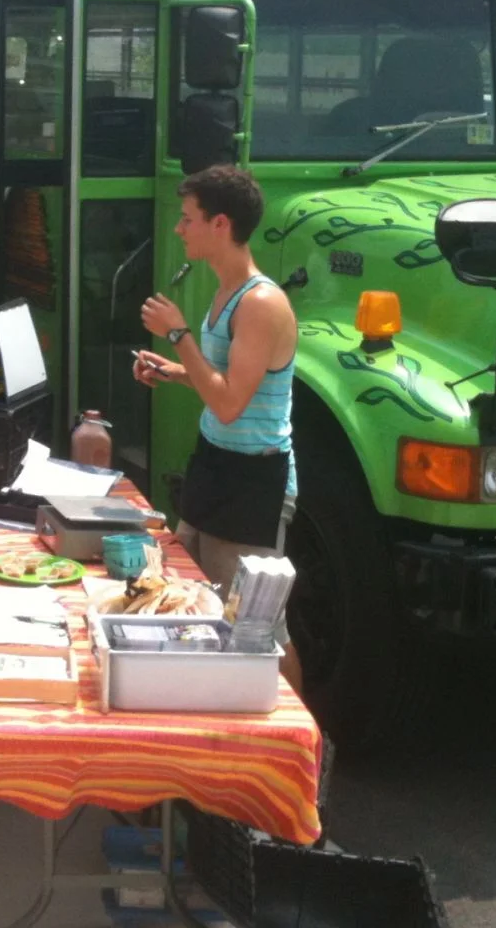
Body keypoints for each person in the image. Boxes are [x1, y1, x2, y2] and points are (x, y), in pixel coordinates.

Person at [134, 164, 302, 691]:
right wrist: (175, 370)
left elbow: (229, 404)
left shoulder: (260, 302)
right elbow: (226, 383)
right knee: (187, 601)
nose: (179, 228)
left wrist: (178, 334)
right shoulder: (227, 289)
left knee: (259, 628)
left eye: (188, 219)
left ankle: (306, 736)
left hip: (253, 481)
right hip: (214, 465)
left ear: (220, 224)